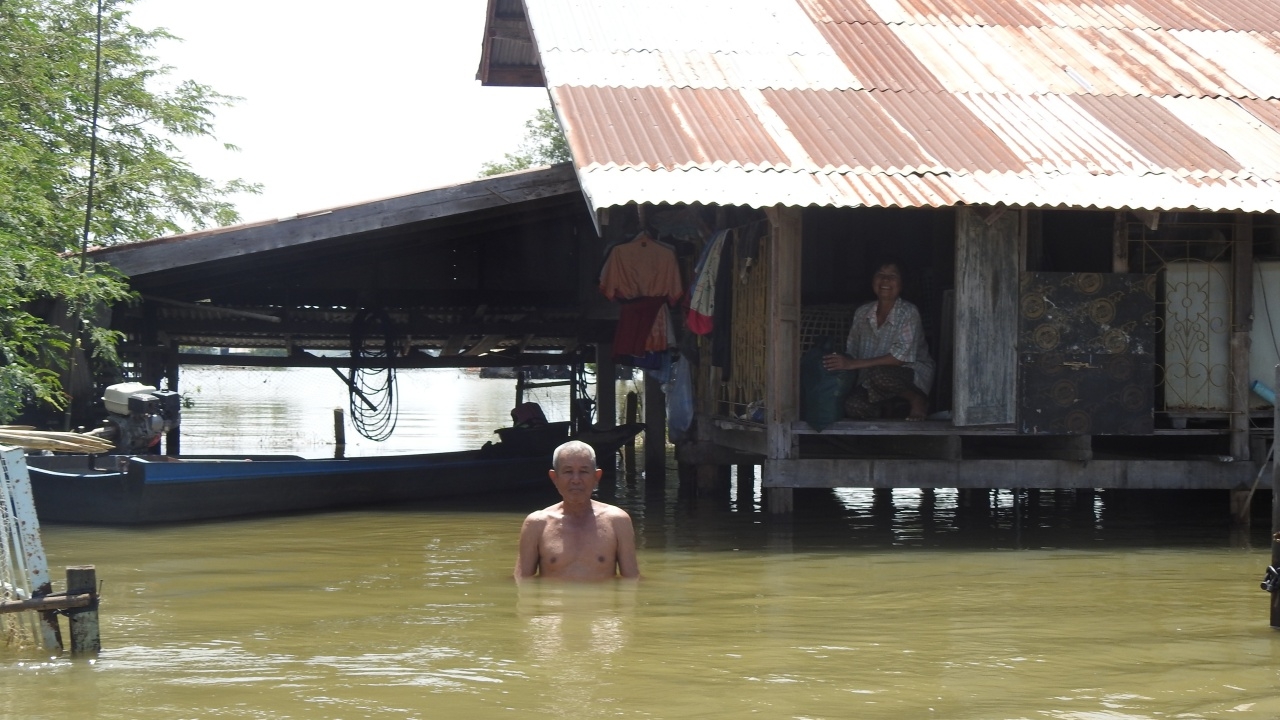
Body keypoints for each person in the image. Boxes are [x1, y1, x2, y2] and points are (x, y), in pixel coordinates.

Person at [821, 259, 935, 421]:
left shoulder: (908, 312)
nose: (885, 280)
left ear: (902, 283)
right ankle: (889, 411)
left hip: (908, 376)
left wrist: (851, 364)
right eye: (880, 274)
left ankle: (916, 400)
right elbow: (852, 351)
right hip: (871, 379)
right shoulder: (862, 313)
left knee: (880, 374)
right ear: (873, 280)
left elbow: (899, 358)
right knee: (853, 406)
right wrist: (840, 363)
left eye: (892, 276)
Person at [515, 440, 640, 581]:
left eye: (584, 472)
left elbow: (631, 581)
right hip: (552, 602)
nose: (576, 480)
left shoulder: (618, 521)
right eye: (568, 472)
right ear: (554, 477)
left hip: (600, 603)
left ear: (596, 477)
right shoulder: (537, 524)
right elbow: (522, 582)